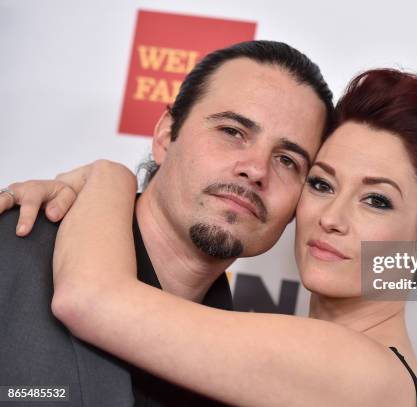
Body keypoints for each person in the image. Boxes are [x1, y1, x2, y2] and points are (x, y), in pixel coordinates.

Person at [3, 68, 417, 406]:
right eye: (321, 183)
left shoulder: (361, 370)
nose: (332, 217)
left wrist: (107, 176)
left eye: (377, 200)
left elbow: (91, 298)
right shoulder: (250, 338)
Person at [0, 40, 333, 407]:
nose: (255, 169)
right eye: (232, 131)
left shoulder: (253, 378)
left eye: (287, 160)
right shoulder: (13, 244)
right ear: (164, 134)